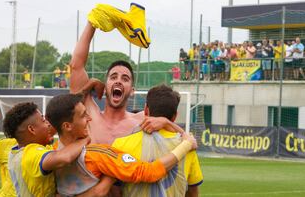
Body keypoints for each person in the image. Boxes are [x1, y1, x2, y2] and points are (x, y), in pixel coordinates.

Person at [45, 93, 197, 196]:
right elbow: (149, 172)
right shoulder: (99, 155)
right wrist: (186, 144)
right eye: (84, 115)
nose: (89, 119)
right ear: (67, 126)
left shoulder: (46, 155)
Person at [70, 22, 182, 145]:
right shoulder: (89, 116)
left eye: (125, 79)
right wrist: (92, 23)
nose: (118, 80)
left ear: (132, 91)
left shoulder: (142, 120)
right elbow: (76, 66)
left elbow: (186, 139)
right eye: (113, 77)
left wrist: (166, 123)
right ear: (106, 87)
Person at [113, 85, 203, 197]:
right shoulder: (188, 147)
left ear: (146, 110)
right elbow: (192, 192)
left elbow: (114, 189)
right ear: (175, 117)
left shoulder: (120, 144)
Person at [3, 102, 93, 196]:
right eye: (43, 121)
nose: (48, 124)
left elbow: (54, 127)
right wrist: (85, 140)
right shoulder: (31, 154)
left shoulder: (18, 151)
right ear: (32, 129)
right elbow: (65, 158)